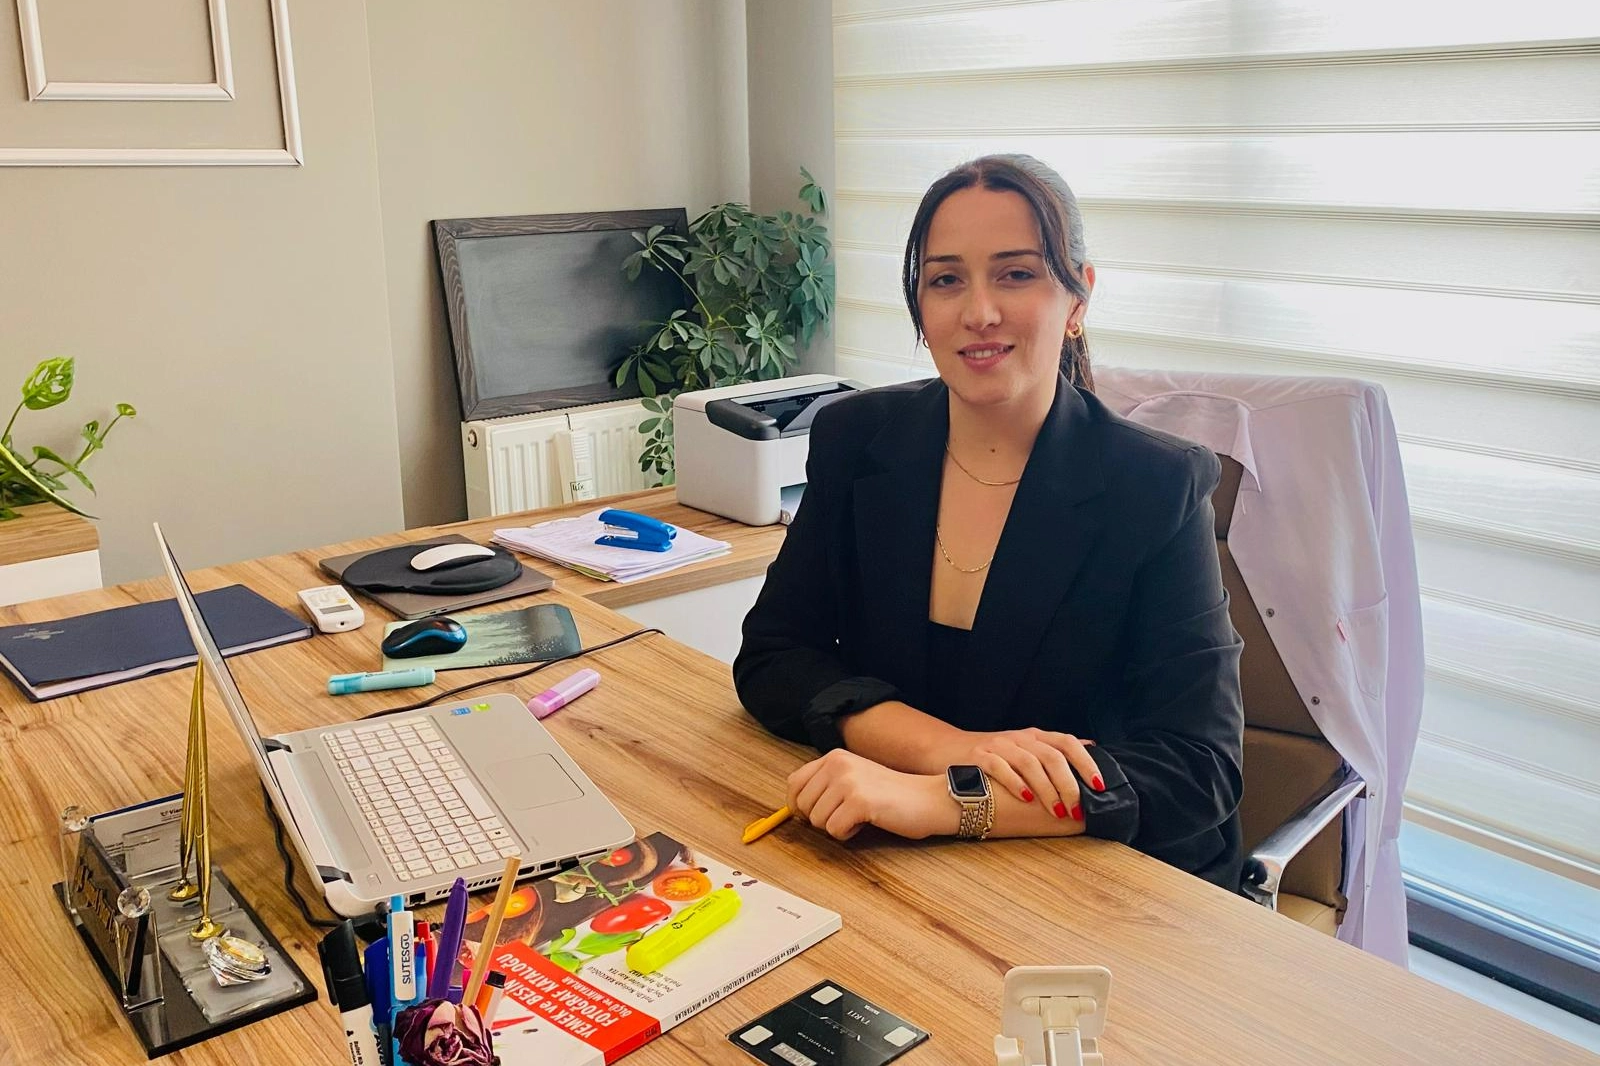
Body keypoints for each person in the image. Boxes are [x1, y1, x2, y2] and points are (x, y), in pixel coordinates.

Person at [733, 154, 1245, 888]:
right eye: (946, 280)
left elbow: (1197, 769)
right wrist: (947, 750)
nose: (978, 312)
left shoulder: (1155, 484)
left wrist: (948, 800)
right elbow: (775, 656)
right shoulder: (858, 439)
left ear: (1077, 298)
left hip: (1097, 881)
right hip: (892, 858)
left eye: (1016, 274)